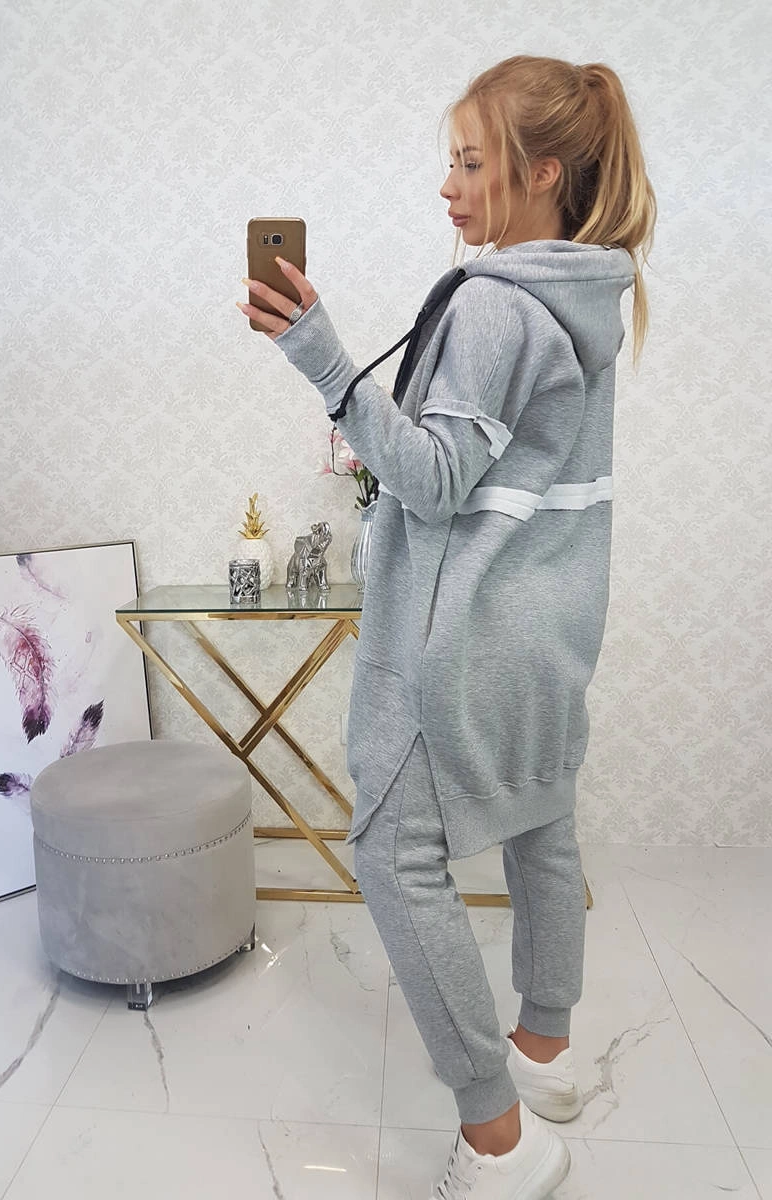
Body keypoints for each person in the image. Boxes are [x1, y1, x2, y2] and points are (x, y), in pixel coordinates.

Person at [237, 53, 656, 1200]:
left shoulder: (494, 305)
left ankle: (498, 1139)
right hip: (549, 630)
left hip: (461, 637)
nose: (448, 186)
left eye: (470, 163)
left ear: (541, 173)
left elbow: (429, 481)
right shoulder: (582, 301)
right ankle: (545, 1053)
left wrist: (321, 356)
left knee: (386, 847)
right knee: (540, 820)